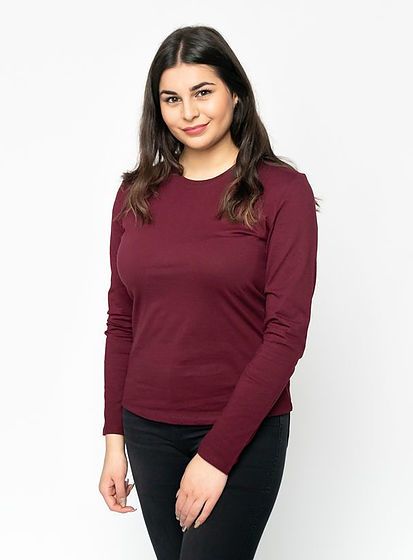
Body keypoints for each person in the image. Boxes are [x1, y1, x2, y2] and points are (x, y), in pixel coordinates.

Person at [98, 24, 319, 560]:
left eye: (203, 92)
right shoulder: (135, 194)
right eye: (172, 98)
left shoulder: (282, 193)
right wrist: (113, 440)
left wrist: (217, 456)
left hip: (242, 429)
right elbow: (121, 321)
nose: (189, 112)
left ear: (234, 93)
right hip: (147, 428)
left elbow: (286, 335)